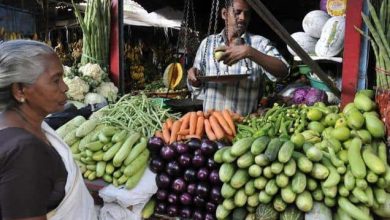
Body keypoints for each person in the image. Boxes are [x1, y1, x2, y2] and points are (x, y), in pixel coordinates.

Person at [0, 40, 97, 220]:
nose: (65, 87)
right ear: (20, 90)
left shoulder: (25, 126)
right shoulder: (25, 151)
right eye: (55, 80)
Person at [188, 0, 289, 115]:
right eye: (238, 12)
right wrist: (194, 81)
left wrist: (250, 52)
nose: (243, 18)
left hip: (245, 126)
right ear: (224, 14)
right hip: (211, 124)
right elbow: (196, 88)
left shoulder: (260, 43)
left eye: (247, 14)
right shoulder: (207, 43)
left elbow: (283, 70)